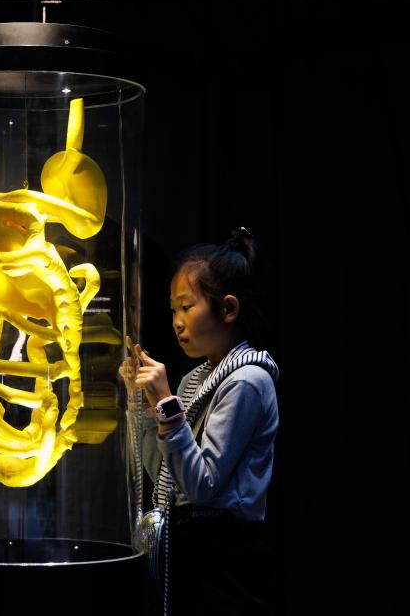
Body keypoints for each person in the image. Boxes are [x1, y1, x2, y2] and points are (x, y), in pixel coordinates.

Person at [120, 227, 279, 615]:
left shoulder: (248, 379)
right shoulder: (195, 379)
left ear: (228, 309)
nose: (176, 321)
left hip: (224, 556)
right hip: (191, 549)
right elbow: (165, 475)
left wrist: (165, 403)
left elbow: (202, 485)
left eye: (187, 307)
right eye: (173, 310)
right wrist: (141, 405)